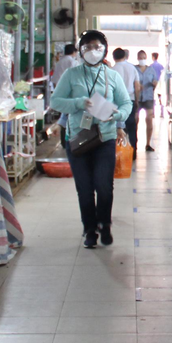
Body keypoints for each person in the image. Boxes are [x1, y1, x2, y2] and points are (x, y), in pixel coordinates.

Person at [49, 31, 131, 248]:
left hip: (105, 138)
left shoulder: (112, 76)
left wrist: (119, 116)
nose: (92, 51)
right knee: (84, 188)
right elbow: (55, 101)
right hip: (78, 138)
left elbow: (125, 103)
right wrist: (78, 103)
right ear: (80, 50)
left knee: (104, 186)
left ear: (104, 49)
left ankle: (105, 223)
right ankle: (89, 230)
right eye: (87, 48)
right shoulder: (71, 75)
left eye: (97, 47)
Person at [113, 47, 141, 153]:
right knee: (132, 126)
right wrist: (137, 100)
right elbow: (137, 86)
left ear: (114, 57)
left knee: (119, 127)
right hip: (130, 100)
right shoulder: (132, 68)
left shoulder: (112, 70)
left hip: (117, 103)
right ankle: (133, 151)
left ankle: (120, 153)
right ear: (124, 56)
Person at [138, 49, 161, 152]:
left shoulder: (151, 70)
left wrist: (155, 84)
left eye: (144, 57)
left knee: (149, 120)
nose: (142, 59)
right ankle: (134, 142)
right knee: (135, 120)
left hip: (148, 97)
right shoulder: (134, 69)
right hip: (137, 98)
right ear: (138, 58)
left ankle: (148, 144)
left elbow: (155, 81)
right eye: (140, 57)